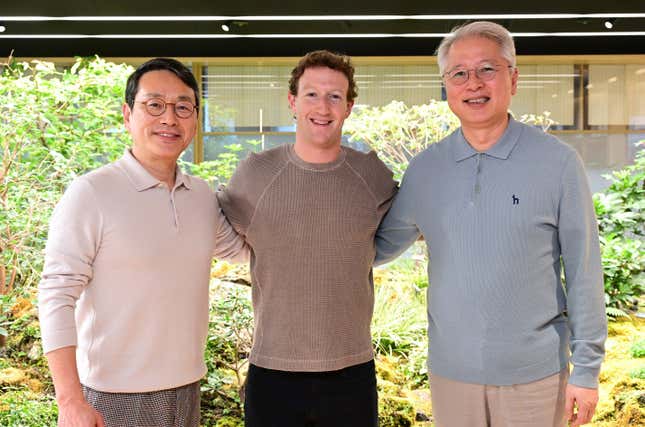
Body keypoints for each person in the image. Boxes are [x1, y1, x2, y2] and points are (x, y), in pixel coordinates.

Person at [375, 21, 607, 427]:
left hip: (535, 375)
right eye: (459, 73)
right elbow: (375, 248)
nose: (473, 83)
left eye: (487, 69)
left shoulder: (557, 163)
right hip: (451, 376)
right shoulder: (426, 170)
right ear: (446, 86)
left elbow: (585, 271)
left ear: (513, 79)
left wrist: (586, 371)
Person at [38, 58, 248, 427]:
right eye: (154, 105)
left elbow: (249, 252)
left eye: (183, 107)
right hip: (112, 395)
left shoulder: (201, 196)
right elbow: (56, 295)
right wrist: (70, 401)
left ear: (195, 120)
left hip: (187, 388)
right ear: (127, 115)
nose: (170, 119)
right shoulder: (91, 193)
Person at [217, 50, 397, 427]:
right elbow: (218, 233)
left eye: (335, 96)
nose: (323, 106)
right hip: (273, 371)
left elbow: (389, 236)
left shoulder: (372, 176)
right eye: (312, 94)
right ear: (292, 102)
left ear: (349, 107)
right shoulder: (254, 175)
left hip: (351, 371)